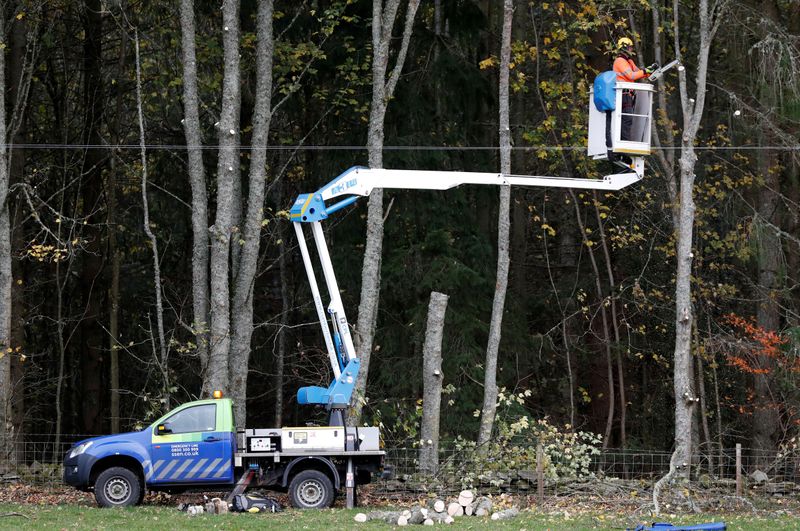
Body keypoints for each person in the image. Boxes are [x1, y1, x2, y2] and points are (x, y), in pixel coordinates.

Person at [612, 37, 656, 141]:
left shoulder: (629, 61)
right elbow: (631, 76)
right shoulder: (620, 61)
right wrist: (645, 71)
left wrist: (650, 70)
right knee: (626, 119)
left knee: (628, 119)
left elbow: (638, 72)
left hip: (629, 95)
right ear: (624, 47)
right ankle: (623, 142)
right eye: (630, 47)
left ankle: (624, 140)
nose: (631, 49)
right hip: (622, 94)